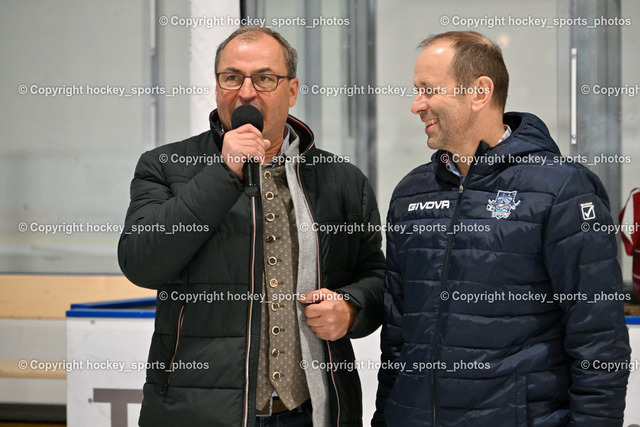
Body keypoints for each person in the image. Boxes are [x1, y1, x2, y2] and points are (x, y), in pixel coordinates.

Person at [118, 26, 385, 427]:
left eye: (264, 78)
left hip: (311, 411)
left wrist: (352, 307)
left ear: (291, 91)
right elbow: (141, 263)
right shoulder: (166, 167)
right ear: (216, 87)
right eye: (232, 78)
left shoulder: (341, 180)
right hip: (200, 414)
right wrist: (223, 173)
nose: (245, 92)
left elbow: (378, 276)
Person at [373, 31, 630, 426]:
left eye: (428, 90)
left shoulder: (561, 189)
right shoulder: (411, 193)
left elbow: (599, 340)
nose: (416, 105)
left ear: (479, 92)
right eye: (415, 90)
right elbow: (396, 337)